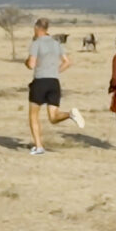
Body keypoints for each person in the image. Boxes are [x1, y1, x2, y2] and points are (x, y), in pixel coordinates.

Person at [25, 17, 85, 155]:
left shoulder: (36, 43)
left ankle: (39, 147)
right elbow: (67, 62)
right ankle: (70, 114)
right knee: (53, 117)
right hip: (54, 82)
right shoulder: (56, 43)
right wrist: (54, 72)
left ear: (36, 28)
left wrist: (26, 62)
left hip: (40, 82)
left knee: (33, 115)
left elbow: (31, 65)